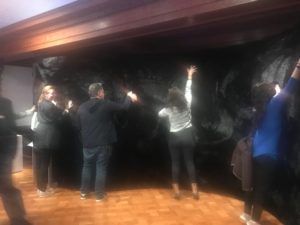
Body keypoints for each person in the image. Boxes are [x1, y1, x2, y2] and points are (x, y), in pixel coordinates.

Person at [240, 59, 300, 225]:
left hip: (255, 152)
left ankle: (246, 214)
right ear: (270, 94)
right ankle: (254, 221)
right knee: (261, 190)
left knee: (252, 185)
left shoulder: (260, 108)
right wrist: (298, 66)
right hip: (268, 156)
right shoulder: (274, 104)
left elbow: (280, 93)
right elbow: (292, 84)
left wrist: (275, 90)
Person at [77, 82, 137, 202]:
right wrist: (129, 96)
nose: (104, 93)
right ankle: (99, 195)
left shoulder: (81, 107)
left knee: (87, 167)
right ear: (99, 93)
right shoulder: (106, 104)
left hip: (87, 143)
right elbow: (124, 107)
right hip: (102, 144)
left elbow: (78, 125)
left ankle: (84, 192)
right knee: (101, 168)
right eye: (103, 91)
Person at [158, 65, 199, 200]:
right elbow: (188, 88)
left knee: (175, 163)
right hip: (187, 136)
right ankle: (194, 191)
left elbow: (159, 114)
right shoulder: (187, 102)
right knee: (189, 162)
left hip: (174, 137)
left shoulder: (169, 109)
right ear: (180, 96)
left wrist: (166, 109)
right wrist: (189, 76)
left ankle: (176, 191)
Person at [0, 90, 32, 225]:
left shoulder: (5, 103)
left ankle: (18, 219)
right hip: (5, 152)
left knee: (7, 187)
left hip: (3, 152)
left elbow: (10, 125)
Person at [34, 85, 66, 197]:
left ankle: (41, 187)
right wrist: (65, 111)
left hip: (42, 134)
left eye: (54, 93)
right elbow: (59, 119)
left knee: (43, 163)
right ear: (45, 94)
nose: (53, 95)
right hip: (48, 136)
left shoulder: (42, 104)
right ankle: (42, 190)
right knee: (44, 164)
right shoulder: (49, 106)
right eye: (50, 93)